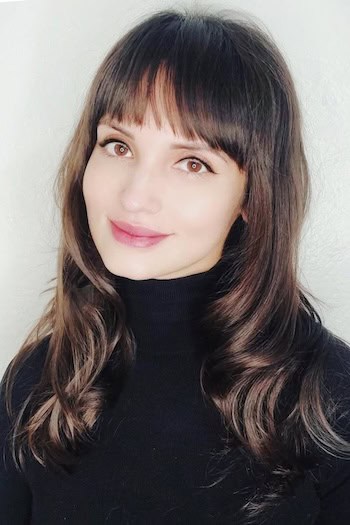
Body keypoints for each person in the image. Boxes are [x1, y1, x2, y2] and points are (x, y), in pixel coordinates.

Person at [1, 6, 350, 524]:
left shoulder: (329, 397)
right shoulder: (39, 383)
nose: (135, 197)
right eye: (118, 145)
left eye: (192, 163)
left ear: (254, 196)